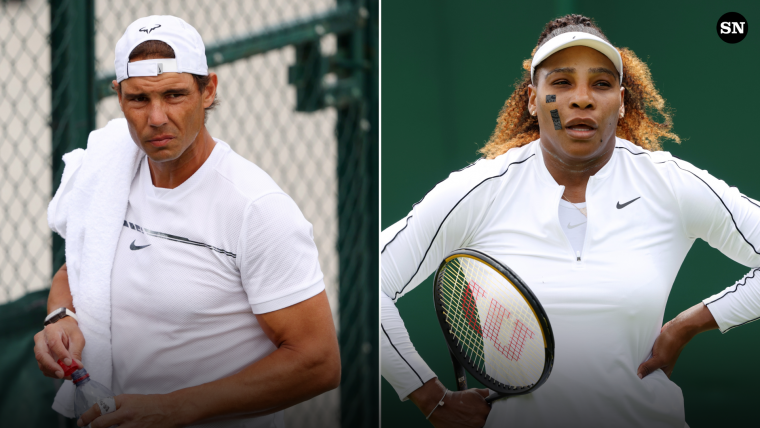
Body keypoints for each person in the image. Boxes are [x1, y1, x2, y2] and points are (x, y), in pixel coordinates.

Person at [381, 14, 760, 428]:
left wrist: (690, 324)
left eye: (600, 84)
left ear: (621, 100)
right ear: (532, 98)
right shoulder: (480, 190)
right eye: (561, 83)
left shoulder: (668, 183)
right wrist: (427, 394)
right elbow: (368, 284)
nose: (581, 99)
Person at [33, 15, 340, 428]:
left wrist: (175, 408)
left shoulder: (257, 209)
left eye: (175, 95)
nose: (156, 117)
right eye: (139, 99)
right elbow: (79, 270)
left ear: (208, 90)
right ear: (119, 96)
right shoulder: (108, 175)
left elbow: (318, 362)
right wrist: (60, 317)